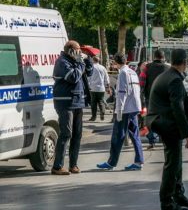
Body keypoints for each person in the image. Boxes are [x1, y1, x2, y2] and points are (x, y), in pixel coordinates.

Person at [145, 49, 188, 210]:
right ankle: (167, 201)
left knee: (177, 162)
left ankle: (178, 194)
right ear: (185, 62)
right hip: (167, 124)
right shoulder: (174, 79)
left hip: (162, 122)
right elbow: (178, 108)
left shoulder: (168, 75)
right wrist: (187, 134)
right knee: (172, 164)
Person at [96, 53, 144, 171]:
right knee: (135, 135)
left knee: (117, 135)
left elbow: (122, 93)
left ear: (115, 63)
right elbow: (136, 90)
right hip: (134, 107)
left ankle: (111, 162)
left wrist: (119, 110)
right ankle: (139, 161)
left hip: (125, 109)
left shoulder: (122, 73)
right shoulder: (132, 72)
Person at [51, 40, 93, 175]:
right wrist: (80, 62)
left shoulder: (75, 60)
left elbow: (89, 73)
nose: (80, 52)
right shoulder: (62, 62)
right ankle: (57, 166)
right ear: (71, 50)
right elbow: (73, 77)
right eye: (78, 50)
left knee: (77, 134)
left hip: (78, 102)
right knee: (66, 133)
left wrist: (88, 60)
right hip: (66, 103)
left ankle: (73, 165)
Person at [142, 49, 170, 149]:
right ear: (163, 57)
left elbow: (142, 82)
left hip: (150, 98)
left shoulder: (147, 67)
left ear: (154, 57)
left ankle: (152, 142)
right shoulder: (168, 67)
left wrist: (142, 95)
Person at [88, 56, 110, 121]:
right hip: (101, 88)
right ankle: (102, 113)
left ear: (93, 60)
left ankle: (93, 117)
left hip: (93, 88)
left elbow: (89, 77)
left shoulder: (91, 67)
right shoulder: (103, 68)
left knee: (93, 103)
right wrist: (108, 87)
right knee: (101, 102)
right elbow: (107, 78)